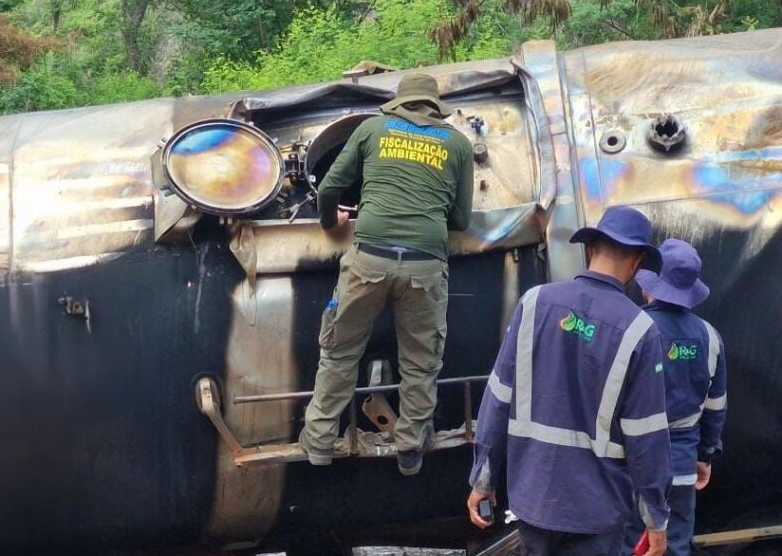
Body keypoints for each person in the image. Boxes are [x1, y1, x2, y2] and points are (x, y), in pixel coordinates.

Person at [466, 206, 672, 556]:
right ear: (637, 263)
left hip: (534, 500)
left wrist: (482, 479)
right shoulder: (639, 331)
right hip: (597, 511)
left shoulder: (533, 304)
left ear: (590, 249)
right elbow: (646, 437)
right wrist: (657, 519)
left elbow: (498, 398)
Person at [298, 72, 474, 476]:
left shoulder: (372, 128)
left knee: (340, 351)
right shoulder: (459, 144)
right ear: (435, 108)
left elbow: (328, 187)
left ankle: (320, 442)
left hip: (368, 260)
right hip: (425, 266)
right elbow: (461, 219)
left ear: (400, 103)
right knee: (420, 361)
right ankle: (411, 449)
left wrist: (330, 223)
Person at [620, 238, 727, 556]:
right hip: (681, 466)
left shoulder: (631, 328)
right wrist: (705, 455)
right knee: (675, 547)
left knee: (629, 546)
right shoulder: (709, 336)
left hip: (631, 467)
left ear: (650, 283)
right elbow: (715, 407)